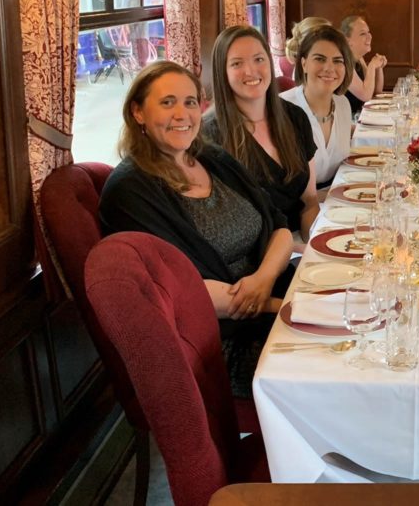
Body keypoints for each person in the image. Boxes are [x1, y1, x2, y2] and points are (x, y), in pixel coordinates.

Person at [99, 60, 295, 397]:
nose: (183, 114)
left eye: (190, 102)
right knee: (346, 360)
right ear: (138, 112)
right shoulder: (130, 191)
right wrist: (288, 308)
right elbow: (180, 291)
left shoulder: (213, 158)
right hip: (217, 341)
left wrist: (264, 281)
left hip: (272, 296)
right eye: (167, 102)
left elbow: (279, 226)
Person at [204, 26, 319, 242]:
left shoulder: (294, 117)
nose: (250, 71)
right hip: (257, 259)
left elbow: (310, 202)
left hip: (299, 245)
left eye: (258, 59)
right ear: (222, 72)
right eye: (237, 63)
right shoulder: (210, 137)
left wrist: (314, 248)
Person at [280, 25, 355, 189]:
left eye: (338, 61)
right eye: (320, 59)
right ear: (304, 64)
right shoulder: (283, 109)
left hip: (339, 200)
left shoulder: (343, 105)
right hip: (296, 208)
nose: (329, 68)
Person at [340, 15, 387, 116]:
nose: (369, 36)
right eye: (362, 34)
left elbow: (375, 92)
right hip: (347, 122)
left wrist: (378, 68)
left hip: (360, 117)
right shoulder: (343, 62)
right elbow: (365, 95)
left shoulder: (359, 59)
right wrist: (372, 66)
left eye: (368, 32)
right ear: (347, 40)